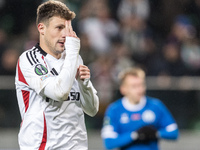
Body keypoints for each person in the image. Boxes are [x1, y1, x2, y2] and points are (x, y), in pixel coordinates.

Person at [15, 1, 99, 150]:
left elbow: (92, 110)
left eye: (67, 28)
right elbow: (59, 93)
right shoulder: (29, 60)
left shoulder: (74, 58)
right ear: (42, 28)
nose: (65, 34)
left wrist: (84, 84)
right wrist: (73, 50)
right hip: (43, 146)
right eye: (59, 28)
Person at [101, 67, 179, 150]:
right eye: (134, 86)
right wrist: (135, 135)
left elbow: (174, 132)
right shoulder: (114, 109)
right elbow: (109, 142)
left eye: (141, 85)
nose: (140, 89)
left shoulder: (155, 106)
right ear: (123, 89)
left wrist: (156, 133)